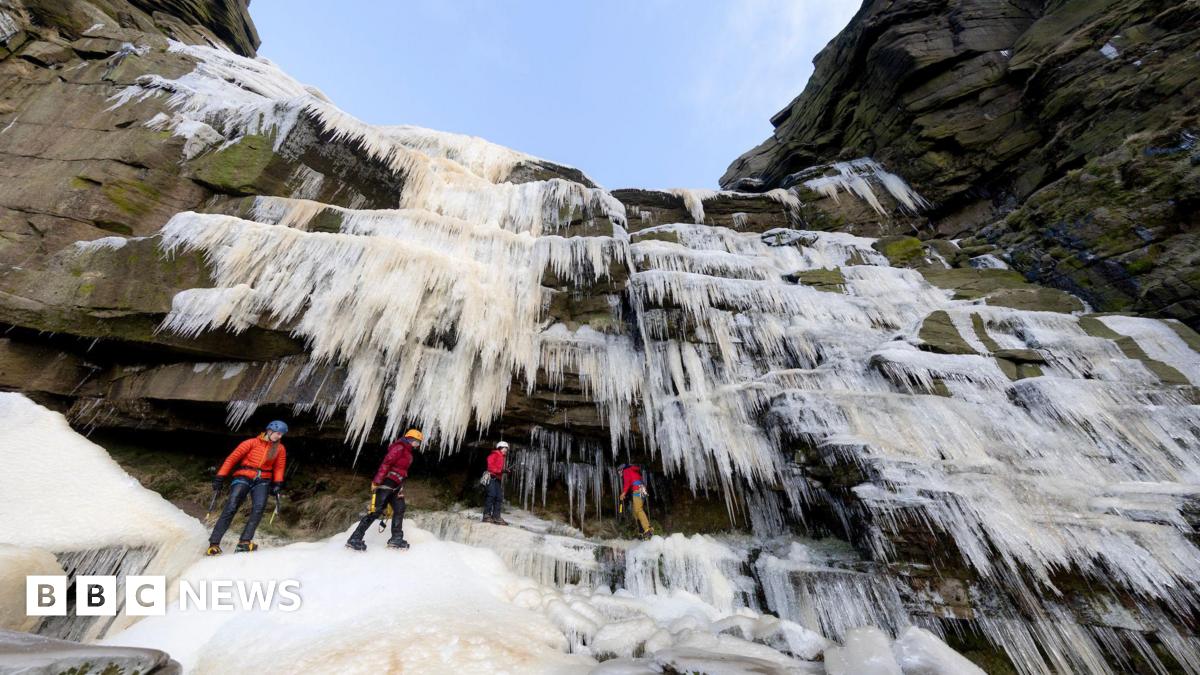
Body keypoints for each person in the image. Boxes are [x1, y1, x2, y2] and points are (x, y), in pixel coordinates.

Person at [206, 420, 288, 555]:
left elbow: (279, 467)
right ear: (269, 431)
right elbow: (231, 459)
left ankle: (244, 542)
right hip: (243, 476)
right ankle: (214, 544)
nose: (279, 437)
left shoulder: (280, 448)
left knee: (259, 508)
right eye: (278, 433)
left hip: (263, 480)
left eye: (282, 435)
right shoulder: (251, 443)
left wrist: (278, 483)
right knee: (231, 506)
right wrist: (220, 476)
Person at [345, 429, 423, 551]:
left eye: (418, 443)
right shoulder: (399, 448)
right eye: (416, 442)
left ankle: (396, 539)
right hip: (386, 483)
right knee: (376, 511)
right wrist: (377, 481)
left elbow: (402, 473)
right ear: (410, 439)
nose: (417, 445)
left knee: (400, 508)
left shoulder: (408, 452)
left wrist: (401, 486)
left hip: (396, 485)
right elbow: (386, 464)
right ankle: (355, 539)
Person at [619, 463, 653, 540]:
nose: (619, 474)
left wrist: (623, 493)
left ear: (621, 470)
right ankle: (641, 530)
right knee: (635, 511)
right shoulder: (633, 471)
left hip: (637, 490)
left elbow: (627, 482)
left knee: (638, 509)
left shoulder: (626, 471)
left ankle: (647, 529)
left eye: (619, 472)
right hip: (642, 489)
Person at [482, 441, 509, 525]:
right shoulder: (494, 455)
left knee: (499, 497)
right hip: (491, 478)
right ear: (500, 448)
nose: (505, 450)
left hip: (497, 479)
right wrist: (501, 470)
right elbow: (490, 467)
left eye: (506, 448)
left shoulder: (502, 457)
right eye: (504, 448)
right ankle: (486, 515)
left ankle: (496, 516)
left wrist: (506, 470)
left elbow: (499, 468)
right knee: (491, 495)